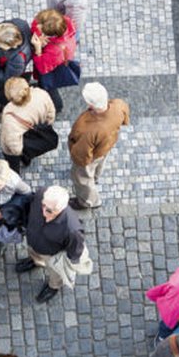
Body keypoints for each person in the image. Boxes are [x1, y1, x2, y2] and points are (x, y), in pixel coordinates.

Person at [19, 185, 92, 303]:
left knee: (55, 274)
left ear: (61, 209)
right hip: (33, 241)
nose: (43, 211)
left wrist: (64, 262)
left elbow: (74, 251)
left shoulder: (72, 229)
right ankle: (36, 261)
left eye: (49, 210)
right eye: (43, 205)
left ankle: (54, 286)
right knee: (33, 253)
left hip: (51, 254)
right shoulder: (41, 194)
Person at [66, 82, 130, 210]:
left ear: (91, 104)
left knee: (82, 178)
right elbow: (125, 118)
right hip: (106, 146)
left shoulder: (89, 129)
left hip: (92, 154)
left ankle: (88, 201)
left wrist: (79, 165)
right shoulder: (118, 104)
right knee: (100, 163)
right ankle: (95, 177)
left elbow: (82, 156)